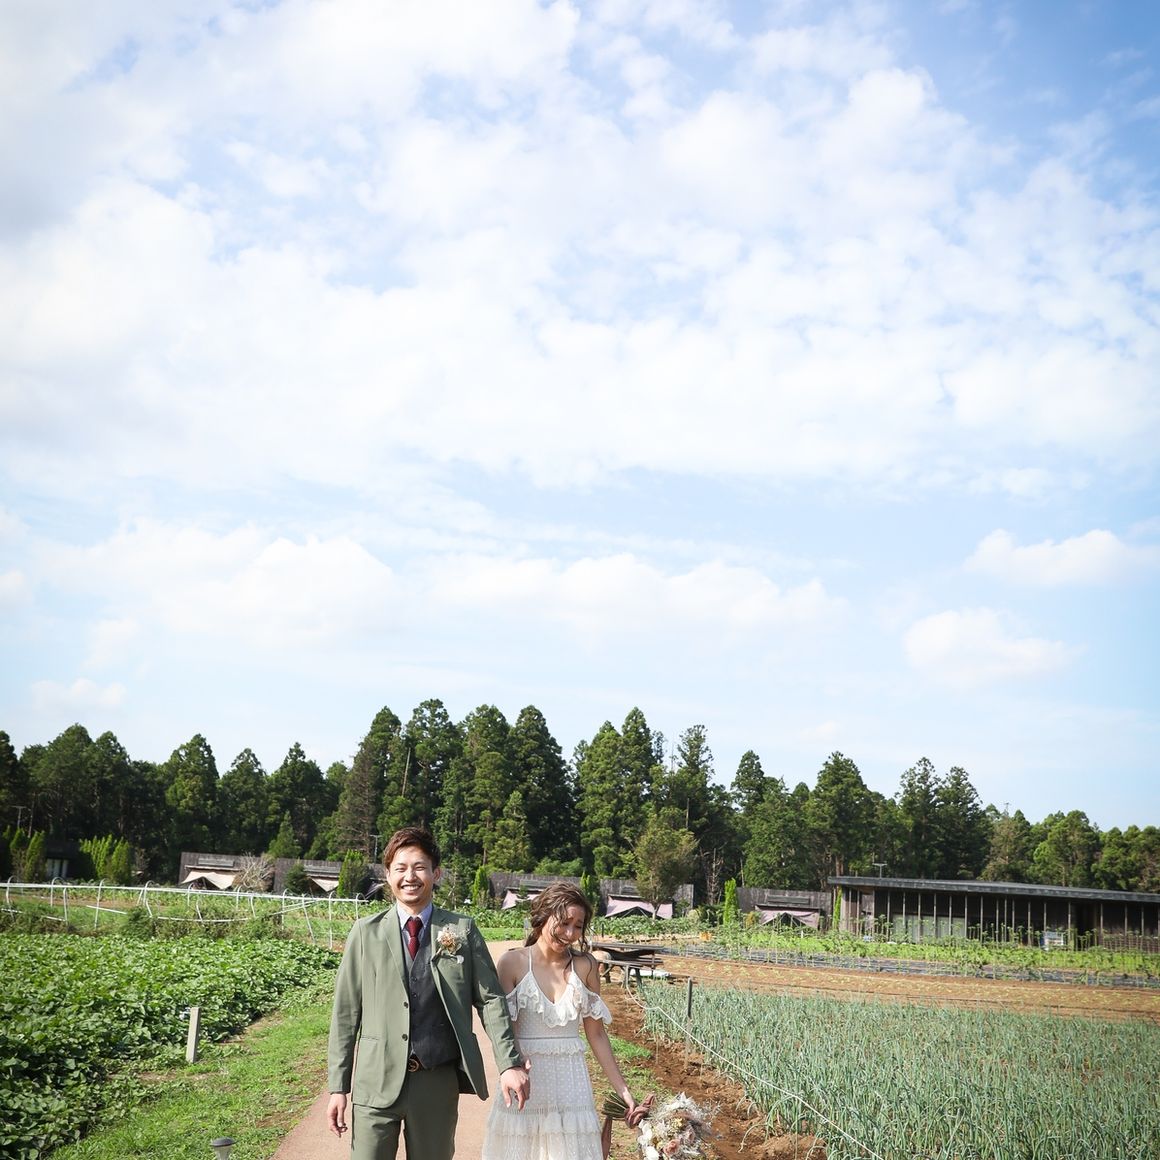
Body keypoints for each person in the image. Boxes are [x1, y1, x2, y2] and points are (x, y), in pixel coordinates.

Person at [327, 826, 531, 1160]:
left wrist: (509, 1063)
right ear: (388, 875)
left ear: (436, 874)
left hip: (436, 1080)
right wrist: (338, 1086)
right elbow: (346, 1014)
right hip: (375, 1081)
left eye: (419, 867)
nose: (410, 877)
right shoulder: (365, 934)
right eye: (400, 868)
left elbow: (491, 1000)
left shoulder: (462, 930)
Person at [481, 882, 645, 1160]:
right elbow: (504, 1029)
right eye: (564, 922)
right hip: (526, 1082)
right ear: (543, 915)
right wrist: (514, 1061)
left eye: (578, 926)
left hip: (571, 1085)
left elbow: (596, 1034)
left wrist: (625, 1092)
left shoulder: (586, 966)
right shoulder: (512, 963)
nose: (570, 933)